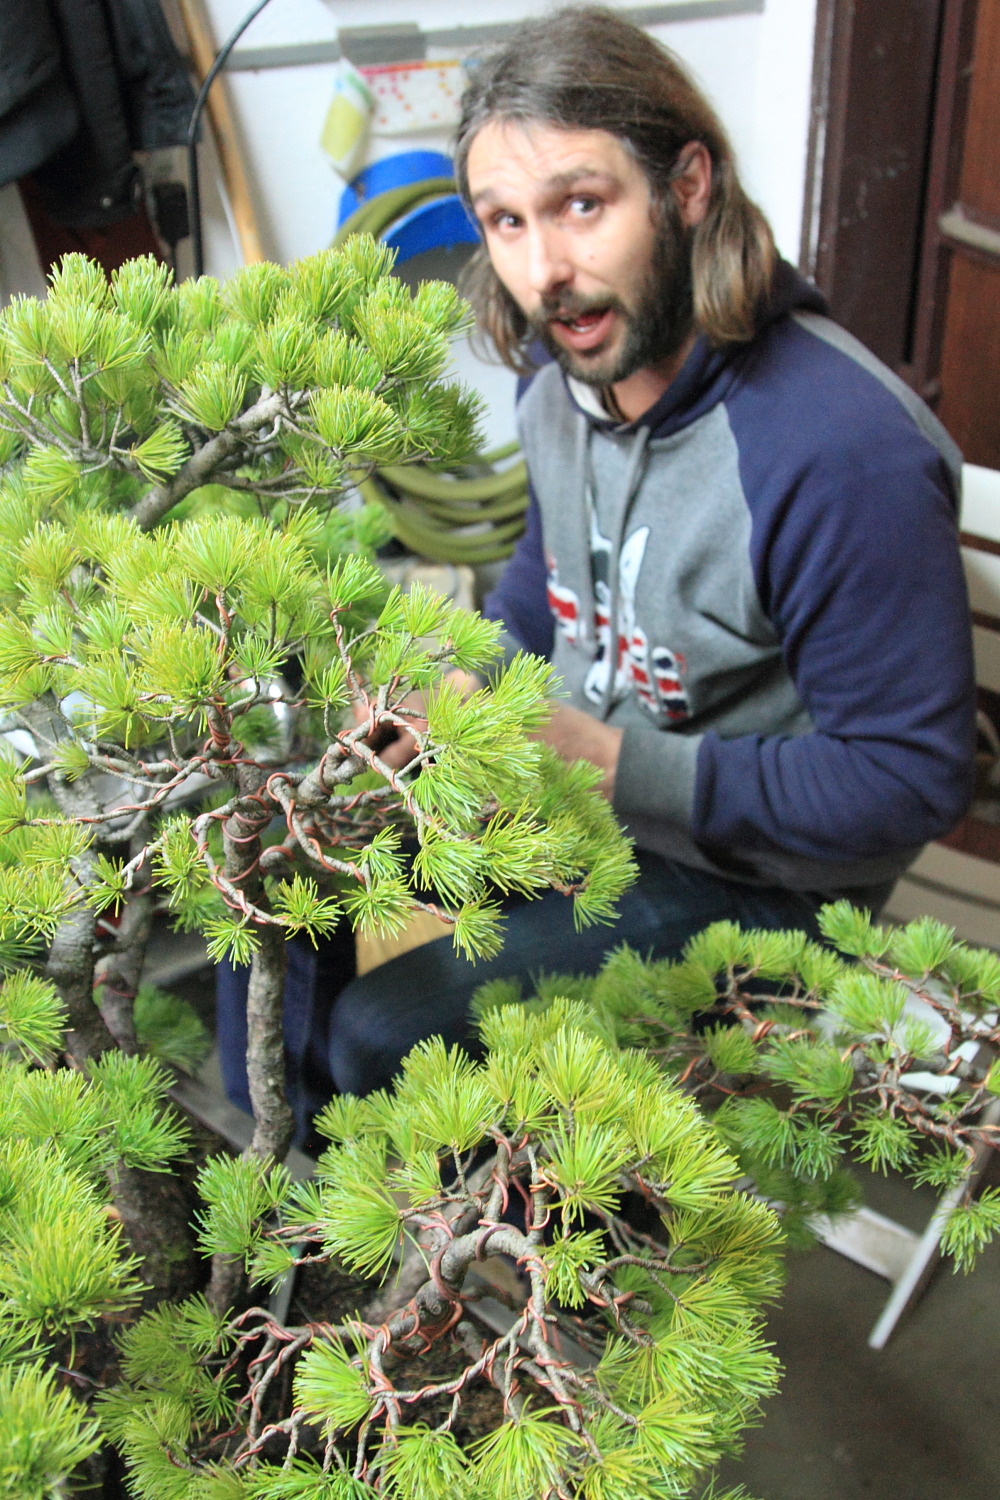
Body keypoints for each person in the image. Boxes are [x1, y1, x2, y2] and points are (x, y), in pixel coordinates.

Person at [219, 5, 976, 1117]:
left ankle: (497, 1211)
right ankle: (283, 1192)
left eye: (582, 204)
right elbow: (546, 600)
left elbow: (907, 785)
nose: (546, 270)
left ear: (687, 186)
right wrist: (444, 697)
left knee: (385, 1033)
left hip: (765, 883)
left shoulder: (838, 454)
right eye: (506, 221)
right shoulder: (565, 383)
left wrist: (606, 759)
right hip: (582, 803)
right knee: (280, 868)